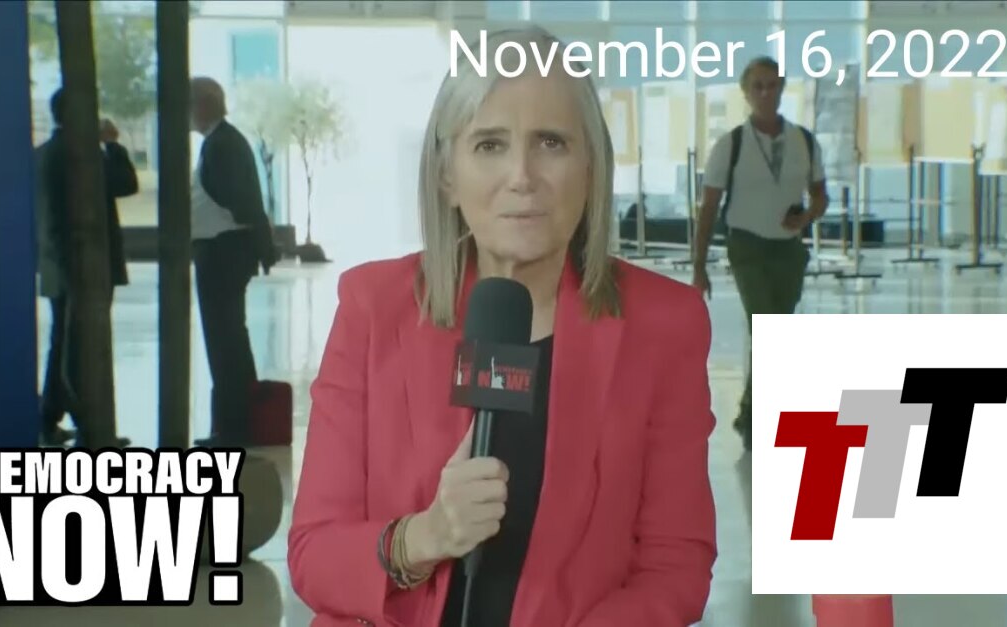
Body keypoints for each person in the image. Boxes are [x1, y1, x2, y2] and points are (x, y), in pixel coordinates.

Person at [288, 27, 717, 627]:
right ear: (447, 174)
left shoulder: (663, 324)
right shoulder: (373, 307)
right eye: (489, 144)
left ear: (591, 167)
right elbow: (314, 554)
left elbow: (675, 568)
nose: (522, 175)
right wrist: (424, 536)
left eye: (551, 142)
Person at [692, 56, 829, 453]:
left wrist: (807, 216)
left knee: (777, 331)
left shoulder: (804, 141)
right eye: (758, 86)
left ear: (783, 88)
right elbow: (708, 208)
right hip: (747, 246)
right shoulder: (731, 144)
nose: (766, 93)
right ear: (746, 93)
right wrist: (699, 266)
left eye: (772, 85)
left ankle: (750, 410)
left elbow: (820, 194)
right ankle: (755, 417)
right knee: (766, 326)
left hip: (788, 249)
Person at [35, 88, 138, 447]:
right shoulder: (81, 155)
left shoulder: (44, 153)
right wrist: (113, 144)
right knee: (80, 349)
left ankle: (49, 419)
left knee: (62, 345)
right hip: (84, 268)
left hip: (57, 266)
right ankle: (89, 426)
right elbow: (125, 183)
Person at [189, 77, 277, 447]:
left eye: (189, 104)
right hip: (223, 250)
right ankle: (236, 425)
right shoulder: (221, 141)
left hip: (222, 252)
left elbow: (239, 200)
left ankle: (234, 429)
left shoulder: (222, 144)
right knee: (229, 340)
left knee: (224, 342)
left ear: (204, 104)